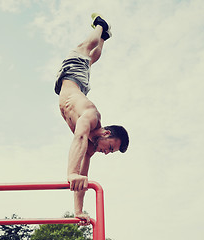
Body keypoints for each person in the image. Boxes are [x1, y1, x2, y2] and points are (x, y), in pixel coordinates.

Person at [54, 13, 129, 224]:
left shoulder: (90, 148)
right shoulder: (92, 117)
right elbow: (78, 137)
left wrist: (78, 210)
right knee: (85, 48)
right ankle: (100, 27)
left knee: (91, 59)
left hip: (78, 86)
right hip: (72, 75)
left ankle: (105, 37)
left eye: (109, 152)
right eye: (110, 147)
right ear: (106, 133)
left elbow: (82, 177)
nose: (106, 152)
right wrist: (70, 174)